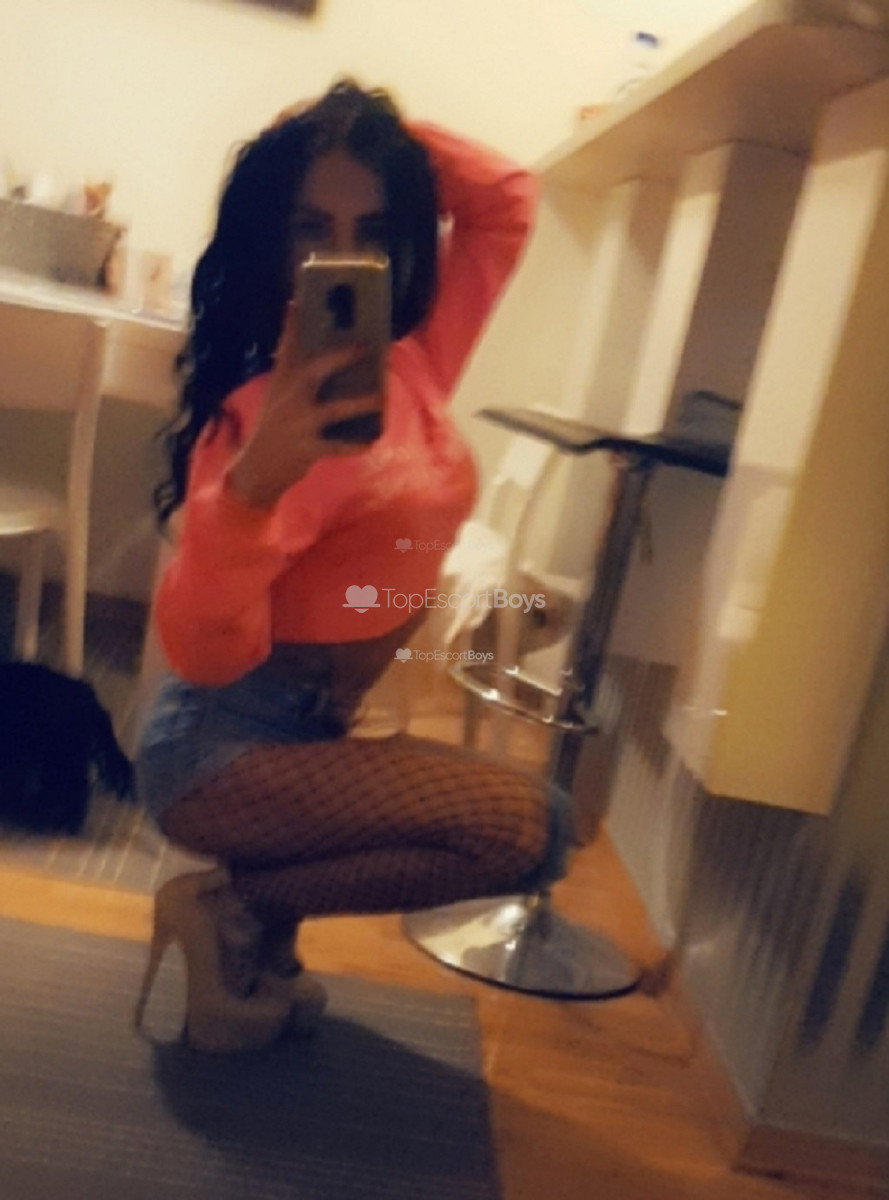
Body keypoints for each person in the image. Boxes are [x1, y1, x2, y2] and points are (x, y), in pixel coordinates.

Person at [134, 79, 570, 1054]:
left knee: (523, 833)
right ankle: (235, 913)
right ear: (272, 239)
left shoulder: (411, 365)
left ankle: (241, 929)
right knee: (523, 829)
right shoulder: (254, 420)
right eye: (310, 227)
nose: (342, 256)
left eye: (372, 230)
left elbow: (505, 200)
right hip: (221, 748)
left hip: (321, 726)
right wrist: (252, 490)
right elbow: (201, 655)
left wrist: (362, 129)